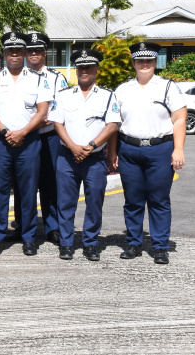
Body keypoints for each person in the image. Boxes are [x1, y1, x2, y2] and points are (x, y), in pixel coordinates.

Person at [110, 41, 186, 264]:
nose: (145, 64)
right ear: (134, 63)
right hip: (129, 150)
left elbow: (180, 118)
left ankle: (160, 246)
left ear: (155, 62)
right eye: (140, 60)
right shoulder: (123, 89)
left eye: (149, 60)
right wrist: (112, 152)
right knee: (132, 200)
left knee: (159, 199)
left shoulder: (167, 87)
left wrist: (179, 149)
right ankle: (133, 243)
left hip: (160, 149)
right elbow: (115, 123)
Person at [0, 32, 51, 256]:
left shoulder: (39, 79)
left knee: (28, 191)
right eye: (10, 51)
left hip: (28, 141)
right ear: (4, 53)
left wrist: (22, 132)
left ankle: (29, 237)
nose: (14, 54)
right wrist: (5, 132)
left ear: (23, 53)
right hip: (0, 142)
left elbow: (42, 111)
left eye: (18, 51)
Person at [51, 49, 120, 261]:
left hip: (95, 159)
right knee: (65, 203)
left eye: (88, 67)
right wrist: (73, 147)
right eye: (80, 67)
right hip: (67, 157)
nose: (84, 71)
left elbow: (112, 125)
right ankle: (66, 243)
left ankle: (90, 243)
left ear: (96, 70)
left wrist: (91, 146)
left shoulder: (108, 96)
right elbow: (57, 123)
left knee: (94, 203)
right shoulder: (63, 96)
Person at [21, 32, 68, 245]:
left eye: (38, 50)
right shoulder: (16, 76)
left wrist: (42, 121)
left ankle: (52, 228)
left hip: (48, 136)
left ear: (45, 53)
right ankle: (23, 227)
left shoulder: (57, 78)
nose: (33, 54)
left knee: (50, 183)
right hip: (23, 138)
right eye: (30, 50)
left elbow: (61, 106)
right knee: (24, 183)